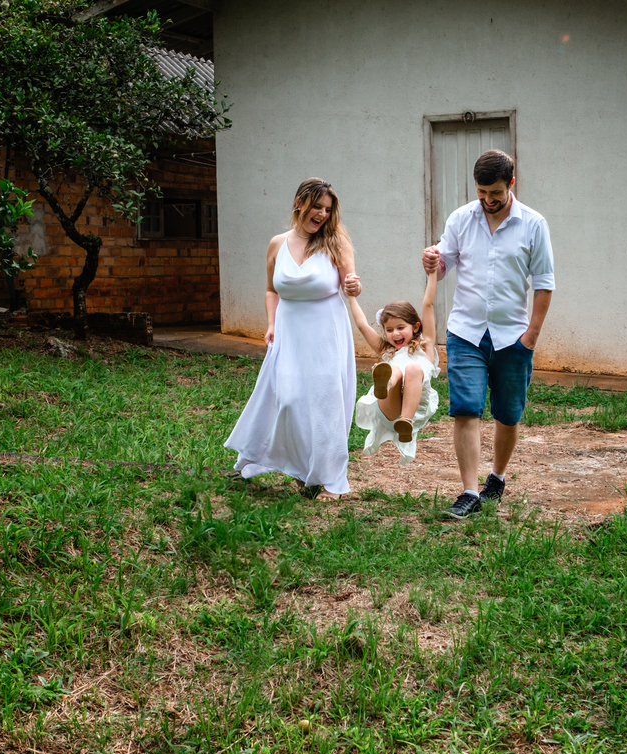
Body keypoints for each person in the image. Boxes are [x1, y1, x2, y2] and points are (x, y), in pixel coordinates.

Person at [422, 150, 554, 519]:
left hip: (513, 337)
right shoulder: (461, 219)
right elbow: (444, 264)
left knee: (508, 415)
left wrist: (531, 336)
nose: (488, 201)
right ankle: (468, 492)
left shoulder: (533, 224)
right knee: (465, 408)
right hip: (465, 332)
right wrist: (434, 262)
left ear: (511, 184)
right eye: (482, 193)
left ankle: (496, 476)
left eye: (495, 193)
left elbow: (544, 284)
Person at [225, 178, 362, 500]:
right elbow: (272, 290)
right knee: (288, 400)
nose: (322, 215)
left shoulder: (336, 243)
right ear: (300, 202)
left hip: (326, 331)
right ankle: (301, 468)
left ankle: (329, 480)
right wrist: (271, 324)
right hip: (289, 330)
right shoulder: (277, 243)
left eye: (328, 210)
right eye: (317, 206)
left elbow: (350, 285)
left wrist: (355, 286)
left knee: (325, 404)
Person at [348, 268, 440, 464]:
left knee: (413, 369)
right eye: (389, 330)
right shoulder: (387, 351)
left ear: (415, 327)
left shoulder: (426, 346)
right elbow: (363, 325)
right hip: (388, 407)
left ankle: (405, 421)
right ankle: (386, 382)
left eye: (400, 328)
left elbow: (428, 304)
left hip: (412, 412)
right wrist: (351, 297)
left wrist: (432, 274)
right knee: (394, 369)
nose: (395, 334)